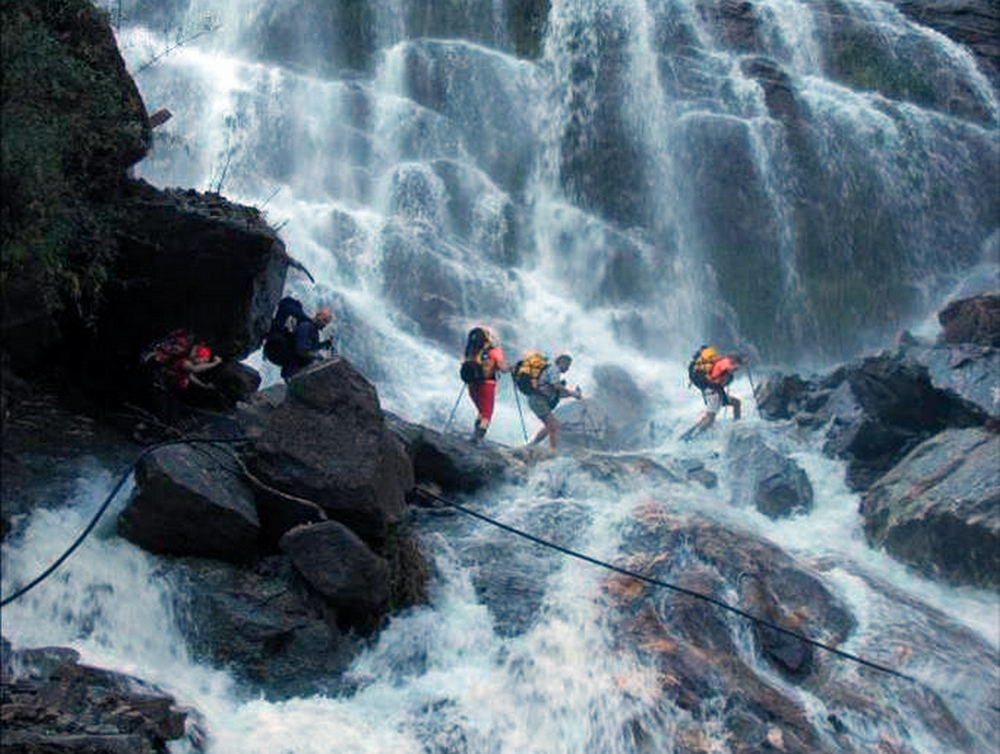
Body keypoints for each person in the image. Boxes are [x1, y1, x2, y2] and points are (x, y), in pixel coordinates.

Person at [680, 346, 744, 441]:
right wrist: (739, 366)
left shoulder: (719, 361)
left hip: (714, 391)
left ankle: (736, 427)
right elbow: (729, 368)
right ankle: (692, 437)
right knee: (710, 419)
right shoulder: (724, 362)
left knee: (736, 403)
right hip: (714, 393)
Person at [523, 353, 583, 455]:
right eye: (567, 366)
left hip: (538, 400)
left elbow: (557, 393)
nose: (568, 369)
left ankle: (532, 445)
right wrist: (573, 393)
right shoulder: (554, 370)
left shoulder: (551, 371)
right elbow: (557, 387)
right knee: (554, 425)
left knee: (551, 425)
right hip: (538, 400)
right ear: (562, 362)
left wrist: (574, 395)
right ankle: (553, 451)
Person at [462, 327, 510, 443]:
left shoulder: (471, 350)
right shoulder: (494, 351)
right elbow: (503, 368)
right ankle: (477, 440)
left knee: (481, 411)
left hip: (472, 384)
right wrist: (510, 368)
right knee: (487, 414)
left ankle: (475, 435)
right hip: (487, 384)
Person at [281, 306, 335, 381]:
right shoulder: (306, 327)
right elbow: (301, 350)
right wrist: (318, 357)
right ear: (317, 316)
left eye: (327, 322)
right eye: (324, 320)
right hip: (293, 370)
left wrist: (324, 344)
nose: (325, 324)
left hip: (296, 370)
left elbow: (310, 347)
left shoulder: (313, 330)